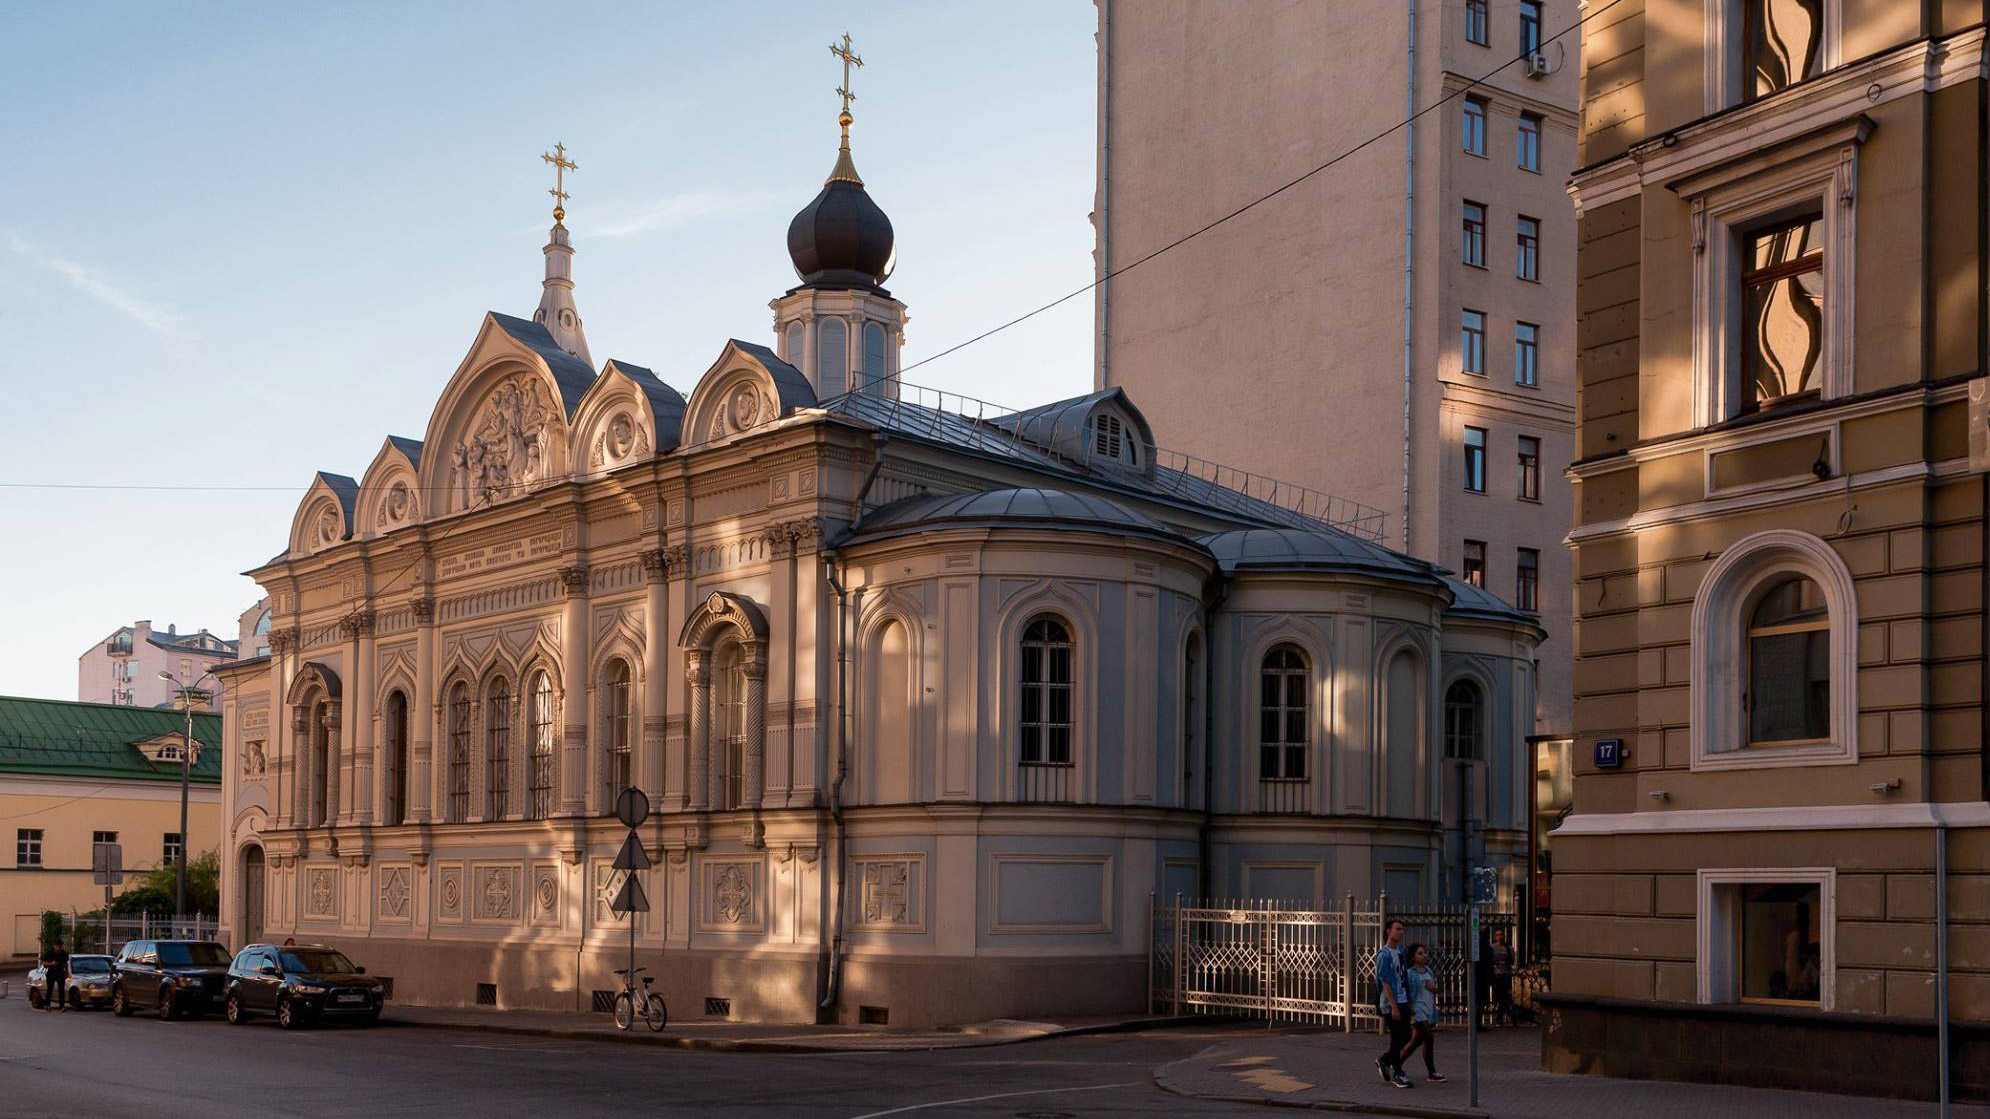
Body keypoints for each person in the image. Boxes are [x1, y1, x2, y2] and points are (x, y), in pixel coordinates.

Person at [1394, 944, 1446, 1083]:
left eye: (1425, 953)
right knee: (1428, 1036)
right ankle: (1431, 1072)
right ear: (1413, 957)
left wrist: (1433, 988)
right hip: (1417, 1010)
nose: (1424, 955)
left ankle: (1395, 1063)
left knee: (1418, 1041)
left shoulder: (1428, 971)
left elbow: (1434, 989)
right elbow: (1406, 992)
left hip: (1428, 1008)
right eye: (1420, 953)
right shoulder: (1410, 973)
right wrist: (1408, 1007)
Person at [1373, 918, 1414, 1089]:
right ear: (1388, 931)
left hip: (1403, 1000)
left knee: (1406, 1036)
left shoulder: (1401, 952)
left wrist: (1409, 1002)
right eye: (1397, 929)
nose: (1401, 932)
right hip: (1390, 1003)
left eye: (1402, 929)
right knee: (1397, 1037)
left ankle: (1384, 1060)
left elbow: (1404, 978)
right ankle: (1398, 1073)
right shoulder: (1384, 955)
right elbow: (1386, 982)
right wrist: (1394, 1006)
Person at [1490, 929, 1514, 1027]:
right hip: (1497, 974)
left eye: (1501, 935)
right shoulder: (1492, 947)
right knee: (1499, 997)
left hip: (1506, 974)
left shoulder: (1509, 948)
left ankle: (1501, 1017)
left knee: (1505, 997)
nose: (1499, 937)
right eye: (1497, 935)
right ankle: (1505, 1015)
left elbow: (1511, 960)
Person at [39, 937, 69, 1013]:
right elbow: (43, 963)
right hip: (50, 973)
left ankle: (62, 1006)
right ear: (54, 946)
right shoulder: (49, 953)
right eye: (56, 946)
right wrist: (51, 963)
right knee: (50, 989)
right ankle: (47, 1004)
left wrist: (67, 971)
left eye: (59, 946)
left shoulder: (64, 954)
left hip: (60, 973)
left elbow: (65, 963)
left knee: (61, 989)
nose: (58, 947)